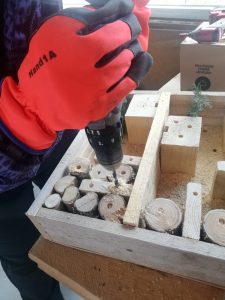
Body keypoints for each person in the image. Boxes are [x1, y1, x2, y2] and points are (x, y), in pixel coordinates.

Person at [0, 0, 152, 299]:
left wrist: (121, 15)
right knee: (25, 253)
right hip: (10, 150)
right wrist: (27, 113)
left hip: (63, 109)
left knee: (77, 210)